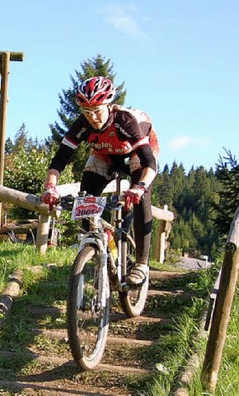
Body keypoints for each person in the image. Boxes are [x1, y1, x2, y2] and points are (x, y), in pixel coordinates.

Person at [42, 76, 159, 287]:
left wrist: (140, 187)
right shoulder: (82, 125)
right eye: (87, 113)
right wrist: (50, 187)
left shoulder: (125, 121)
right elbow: (58, 162)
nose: (93, 117)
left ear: (108, 105)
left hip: (137, 152)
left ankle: (142, 264)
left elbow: (150, 163)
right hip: (106, 152)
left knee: (142, 197)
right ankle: (104, 248)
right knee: (85, 202)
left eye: (97, 110)